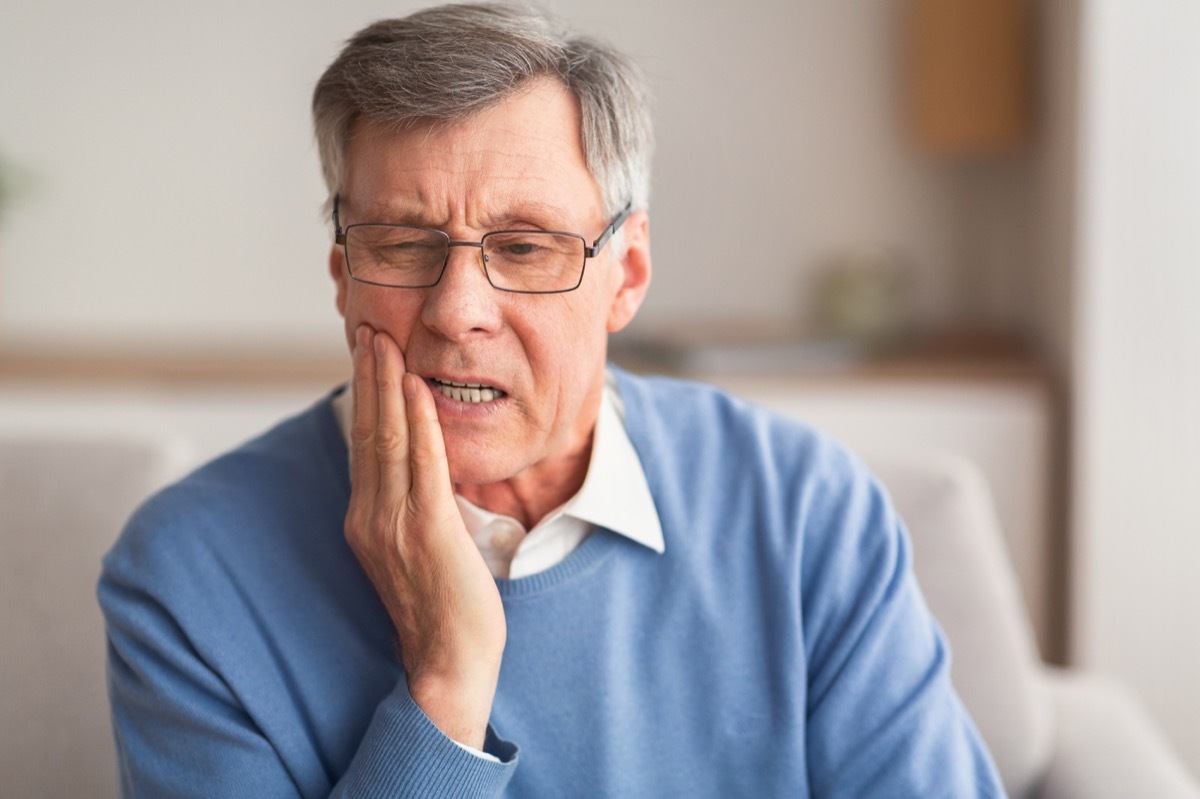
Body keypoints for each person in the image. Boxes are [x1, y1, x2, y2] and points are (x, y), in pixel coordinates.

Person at [98, 4, 1005, 796]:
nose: (457, 312)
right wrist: (448, 684)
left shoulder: (808, 513)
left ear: (628, 274)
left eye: (526, 248)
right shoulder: (186, 575)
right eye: (405, 244)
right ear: (343, 277)